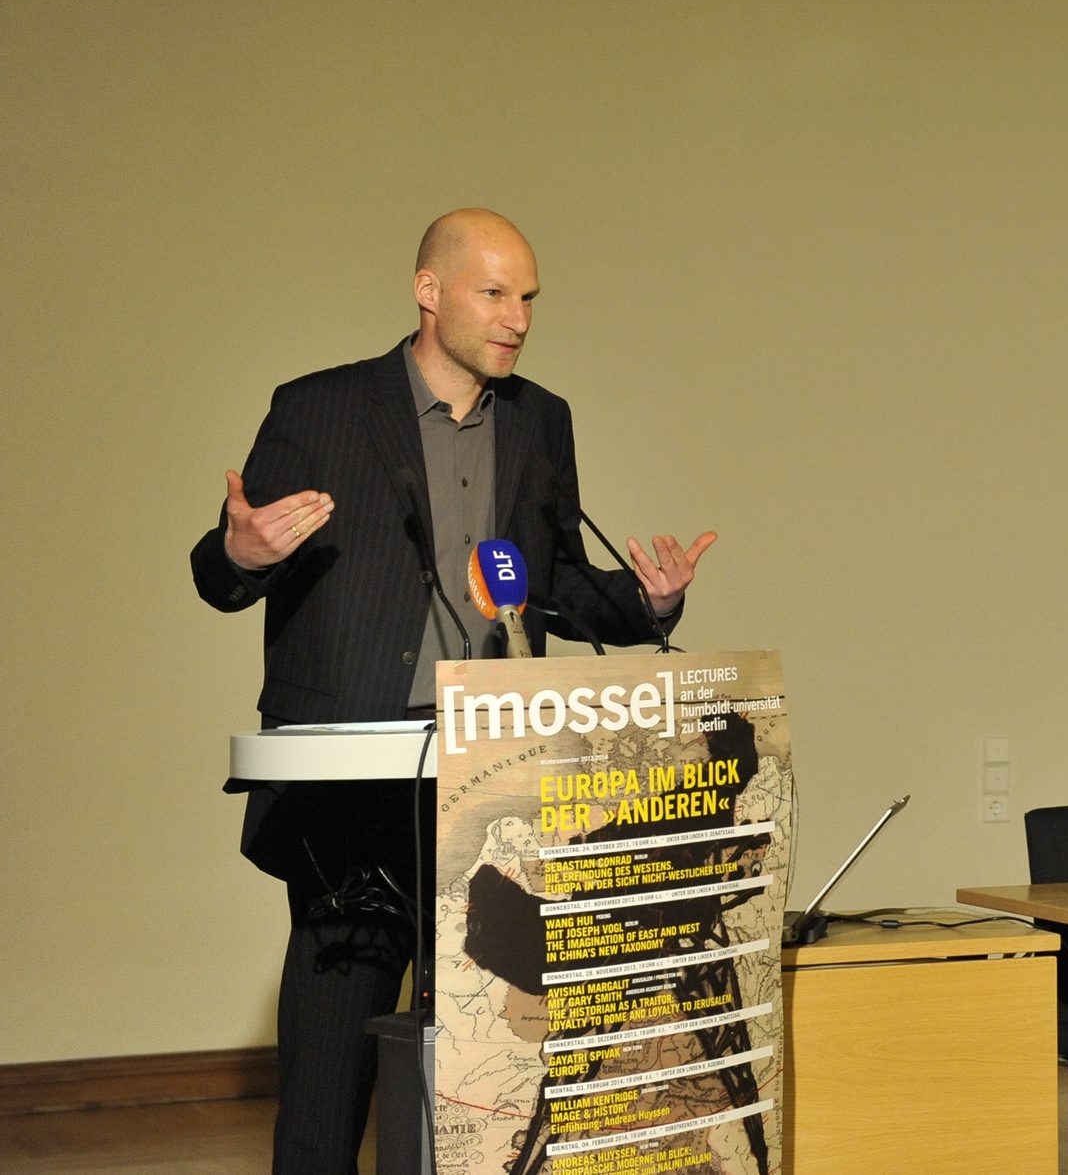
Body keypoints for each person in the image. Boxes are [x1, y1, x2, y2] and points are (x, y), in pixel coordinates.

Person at [191, 208, 718, 1175]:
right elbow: (223, 573)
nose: (518, 318)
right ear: (427, 291)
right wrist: (242, 551)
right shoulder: (319, 409)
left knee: (493, 1073)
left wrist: (647, 601)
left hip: (494, 779)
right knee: (327, 1070)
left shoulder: (540, 419)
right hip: (352, 785)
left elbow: (553, 581)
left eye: (530, 298)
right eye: (495, 293)